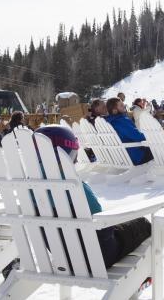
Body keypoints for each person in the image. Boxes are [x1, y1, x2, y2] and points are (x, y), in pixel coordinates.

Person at [36, 125, 152, 267]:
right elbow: (100, 221)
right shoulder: (75, 186)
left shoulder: (28, 187)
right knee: (143, 224)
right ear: (68, 154)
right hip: (99, 256)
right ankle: (143, 275)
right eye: (74, 155)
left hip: (63, 257)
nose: (76, 160)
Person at [105, 98, 153, 165]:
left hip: (122, 156)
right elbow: (138, 137)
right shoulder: (120, 121)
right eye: (121, 105)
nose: (124, 106)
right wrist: (151, 136)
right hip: (136, 156)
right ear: (114, 110)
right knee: (160, 149)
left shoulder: (108, 122)